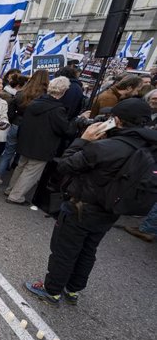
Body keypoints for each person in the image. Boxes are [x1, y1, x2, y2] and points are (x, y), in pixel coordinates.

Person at [25, 99, 157, 305]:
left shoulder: (106, 147)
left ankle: (52, 290)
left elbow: (65, 165)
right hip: (110, 210)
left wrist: (83, 140)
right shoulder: (149, 148)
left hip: (81, 207)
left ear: (117, 120)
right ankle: (73, 289)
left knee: (64, 250)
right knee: (88, 250)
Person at [6, 77, 77, 205]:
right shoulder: (57, 109)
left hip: (26, 141)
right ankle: (16, 196)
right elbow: (65, 130)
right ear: (64, 91)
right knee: (31, 172)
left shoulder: (35, 102)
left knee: (21, 166)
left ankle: (10, 189)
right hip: (42, 146)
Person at [0, 70, 49, 187]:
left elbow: (12, 111)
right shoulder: (44, 96)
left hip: (16, 124)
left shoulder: (22, 92)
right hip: (31, 128)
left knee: (8, 152)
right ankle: (15, 183)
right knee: (23, 157)